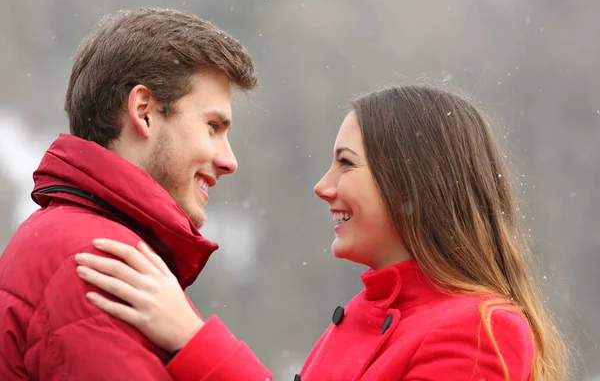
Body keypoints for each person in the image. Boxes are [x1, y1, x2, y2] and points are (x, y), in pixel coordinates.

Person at [74, 85, 569, 381]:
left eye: (345, 164)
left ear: (411, 179)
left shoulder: (482, 329)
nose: (322, 187)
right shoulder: (362, 312)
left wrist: (194, 338)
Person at [0, 8, 273, 380]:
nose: (229, 161)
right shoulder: (104, 267)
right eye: (212, 127)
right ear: (143, 112)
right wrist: (205, 347)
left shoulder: (71, 240)